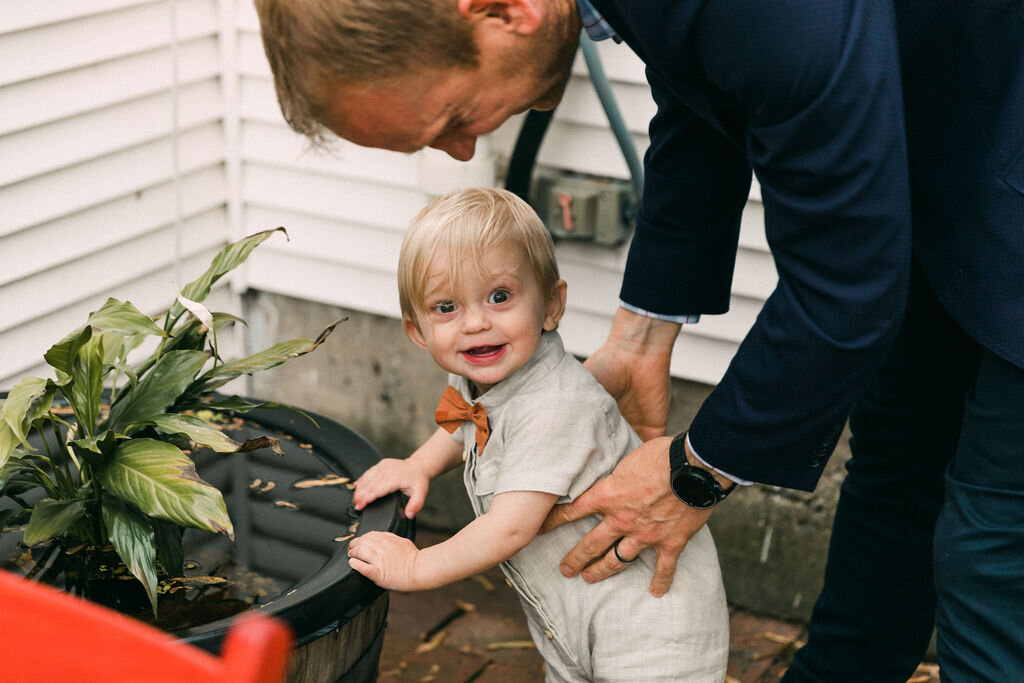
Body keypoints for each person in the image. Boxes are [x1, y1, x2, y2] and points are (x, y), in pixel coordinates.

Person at [254, 0, 1024, 679]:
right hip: (946, 146)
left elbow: (847, 281)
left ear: (504, 9)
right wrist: (643, 335)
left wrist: (697, 470)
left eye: (453, 118)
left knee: (992, 540)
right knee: (899, 456)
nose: (463, 152)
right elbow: (704, 97)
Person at [347, 188, 729, 681]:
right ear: (417, 330)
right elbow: (470, 423)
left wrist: (417, 568)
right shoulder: (481, 371)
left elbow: (509, 528)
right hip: (572, 615)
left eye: (500, 297)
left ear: (551, 305)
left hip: (651, 627)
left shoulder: (554, 404)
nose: (476, 323)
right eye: (446, 307)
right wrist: (419, 465)